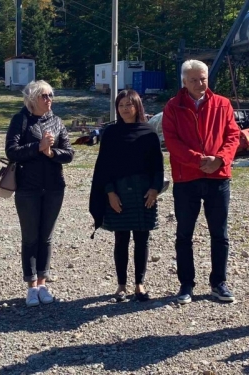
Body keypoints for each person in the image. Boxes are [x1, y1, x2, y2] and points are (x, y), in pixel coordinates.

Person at [162, 60, 240, 305]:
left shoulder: (222, 104)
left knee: (220, 234)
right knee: (184, 233)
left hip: (218, 177)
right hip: (187, 179)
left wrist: (220, 159)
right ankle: (186, 284)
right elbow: (172, 142)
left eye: (203, 78)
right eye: (194, 80)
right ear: (184, 81)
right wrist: (198, 161)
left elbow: (233, 135)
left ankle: (219, 282)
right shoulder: (173, 107)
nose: (200, 84)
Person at [89, 89, 164, 302]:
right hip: (118, 191)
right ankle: (121, 285)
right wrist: (110, 193)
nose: (124, 109)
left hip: (144, 192)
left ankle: (139, 284)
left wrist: (154, 189)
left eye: (128, 105)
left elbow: (158, 166)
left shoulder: (149, 132)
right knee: (121, 238)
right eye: (121, 105)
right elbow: (104, 167)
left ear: (137, 106)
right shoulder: (111, 133)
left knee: (142, 238)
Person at [5, 80, 74, 307]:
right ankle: (31, 286)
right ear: (33, 99)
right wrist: (38, 147)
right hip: (28, 189)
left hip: (54, 187)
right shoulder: (20, 120)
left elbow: (69, 153)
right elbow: (12, 151)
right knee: (30, 237)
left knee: (46, 237)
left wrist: (51, 152)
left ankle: (43, 283)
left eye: (51, 95)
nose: (49, 99)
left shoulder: (56, 122)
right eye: (44, 96)